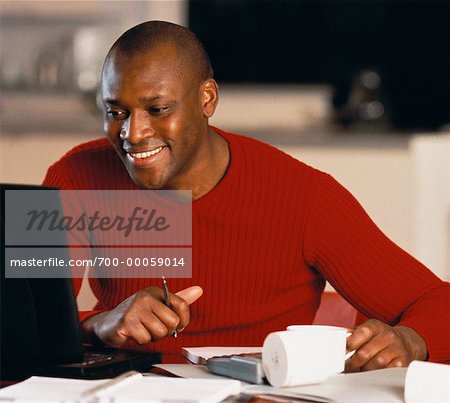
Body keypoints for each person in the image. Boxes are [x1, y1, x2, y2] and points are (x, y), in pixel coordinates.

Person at [43, 21, 449, 370]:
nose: (133, 134)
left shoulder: (306, 196)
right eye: (116, 112)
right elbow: (16, 322)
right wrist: (98, 325)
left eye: (158, 109)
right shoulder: (73, 176)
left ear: (207, 99)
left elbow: (438, 301)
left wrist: (412, 341)